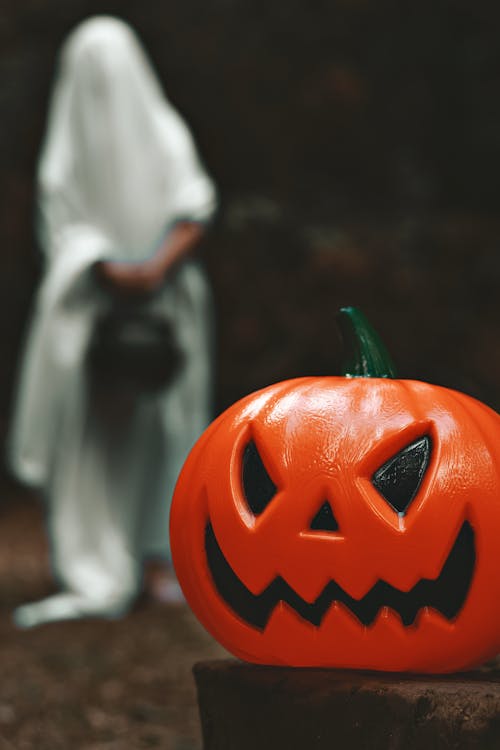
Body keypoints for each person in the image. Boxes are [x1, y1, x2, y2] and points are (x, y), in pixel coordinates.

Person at [8, 16, 217, 627]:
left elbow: (194, 208)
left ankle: (158, 559)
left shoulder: (165, 133)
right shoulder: (67, 152)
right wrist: (105, 270)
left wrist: (152, 271)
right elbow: (63, 225)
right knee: (97, 440)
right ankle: (99, 556)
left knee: (166, 432)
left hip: (165, 311)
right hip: (95, 314)